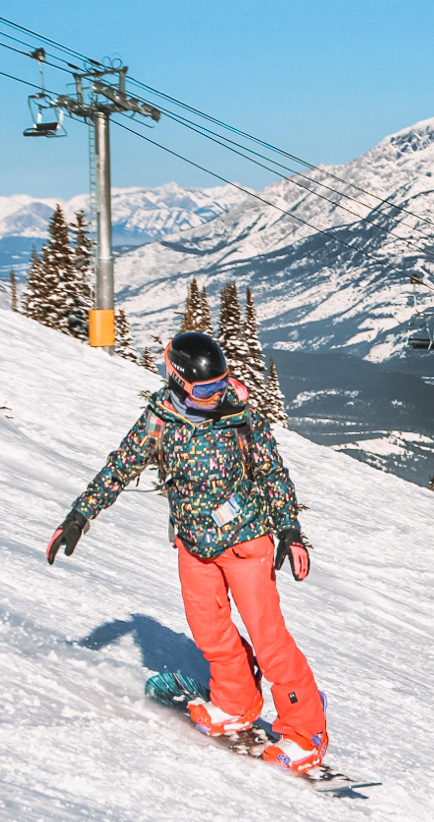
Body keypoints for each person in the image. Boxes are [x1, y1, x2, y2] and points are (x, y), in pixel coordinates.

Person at [46, 331, 328, 774]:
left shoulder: (240, 416)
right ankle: (235, 702)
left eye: (222, 384)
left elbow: (272, 471)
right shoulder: (159, 419)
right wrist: (79, 516)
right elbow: (120, 466)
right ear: (178, 382)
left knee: (269, 639)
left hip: (246, 541)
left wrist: (289, 530)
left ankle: (305, 730)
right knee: (210, 633)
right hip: (194, 545)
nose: (216, 395)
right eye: (205, 389)